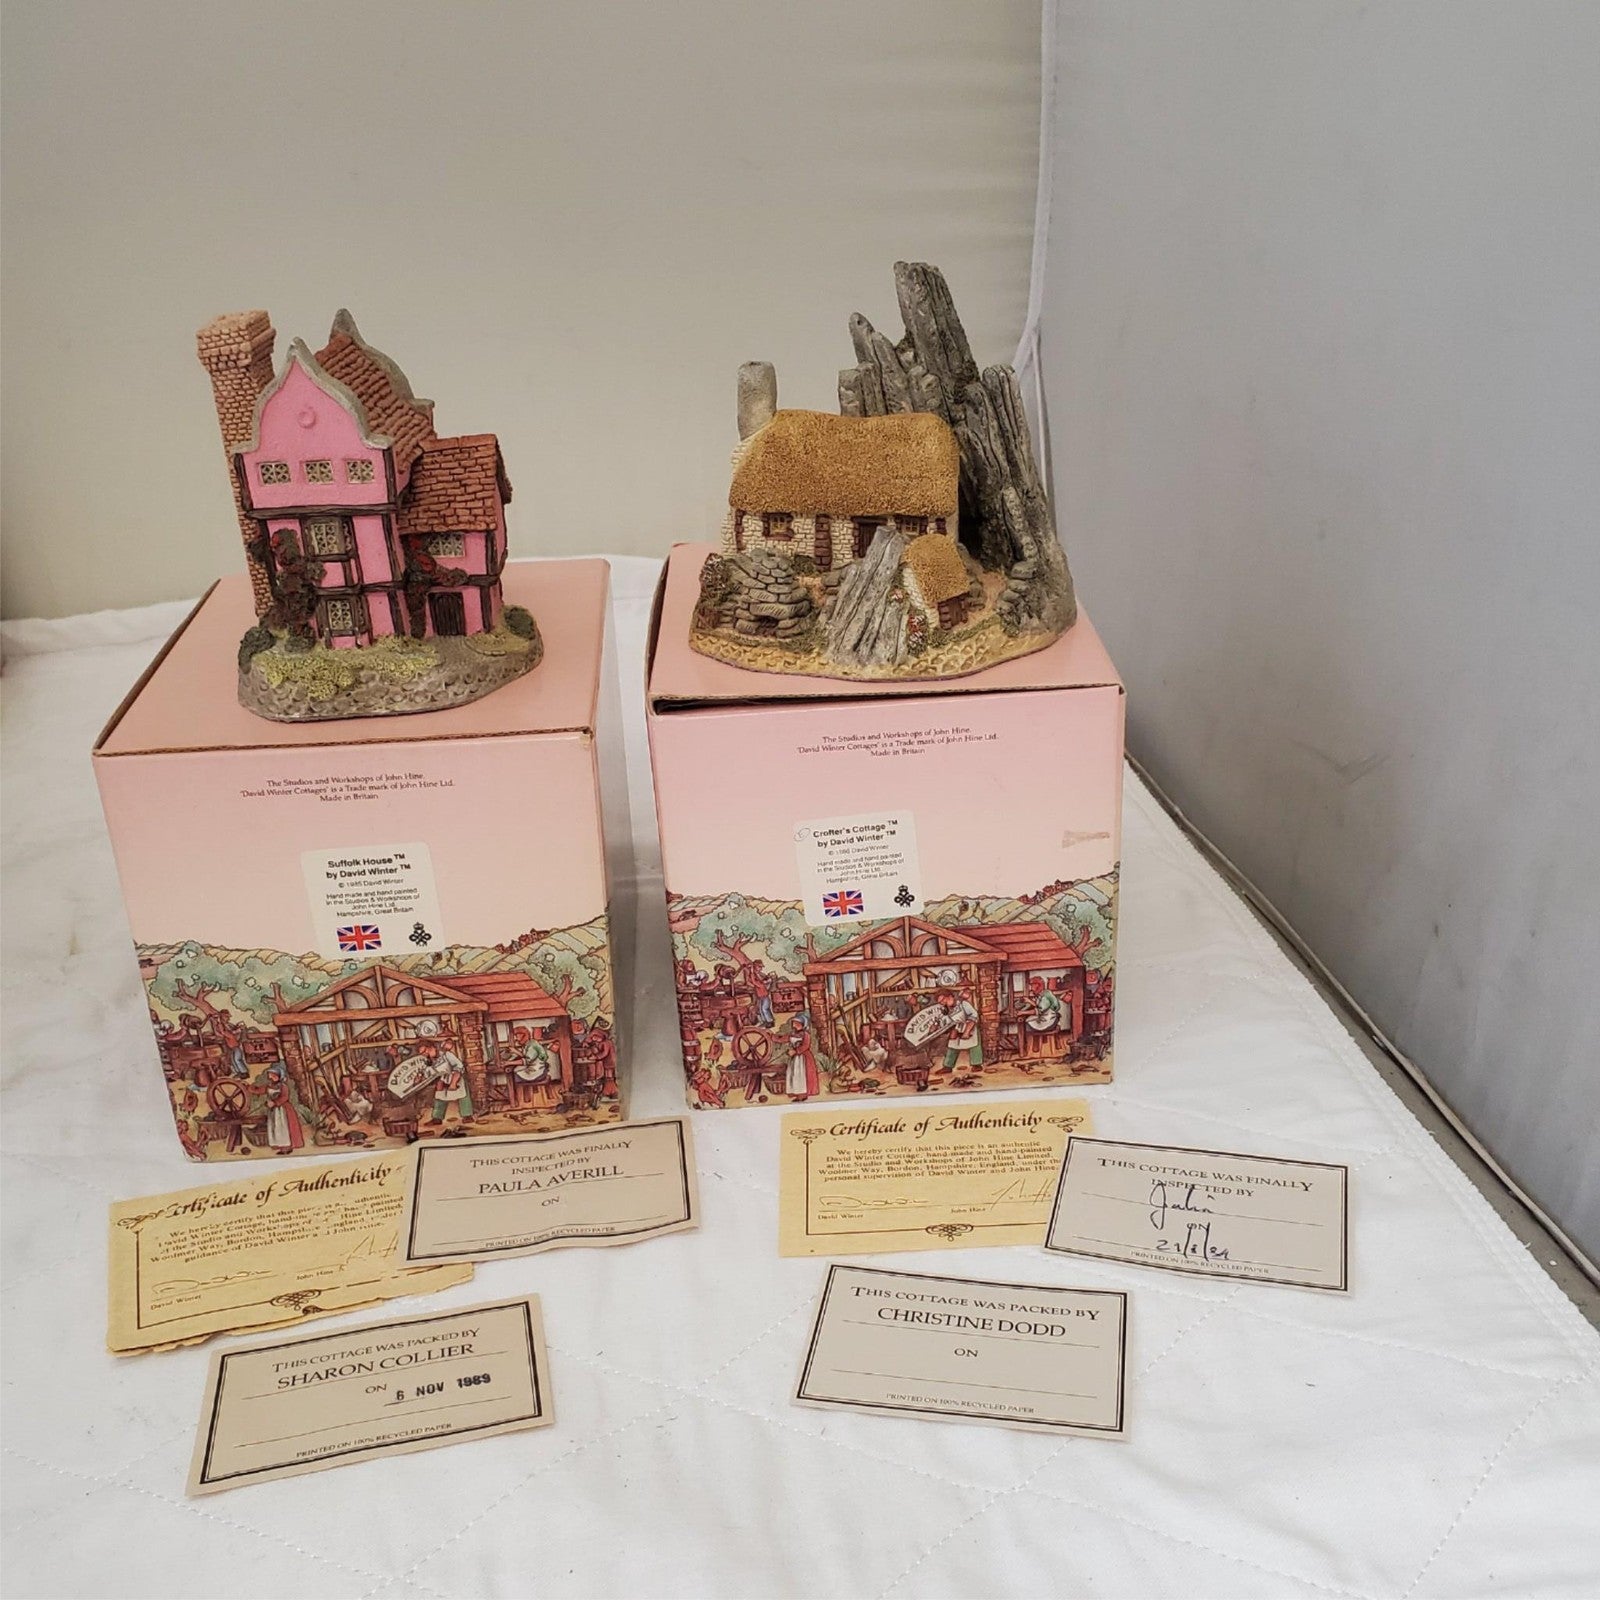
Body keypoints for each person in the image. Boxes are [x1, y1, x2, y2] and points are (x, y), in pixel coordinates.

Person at [424, 1041, 474, 1132]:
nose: (426, 1053)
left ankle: (467, 1115)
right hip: (443, 1079)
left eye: (426, 1050)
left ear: (432, 1047)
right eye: (423, 1053)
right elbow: (429, 1073)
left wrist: (454, 1081)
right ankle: (437, 1118)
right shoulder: (429, 1062)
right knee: (439, 1096)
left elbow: (459, 1066)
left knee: (463, 1095)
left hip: (455, 1076)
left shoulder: (447, 1055)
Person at [260, 1064, 306, 1154]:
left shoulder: (283, 1086)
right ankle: (280, 1146)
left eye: (274, 1076)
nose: (271, 1078)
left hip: (283, 1110)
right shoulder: (269, 1086)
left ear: (279, 1076)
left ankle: (286, 1147)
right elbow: (259, 1090)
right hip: (273, 1111)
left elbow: (284, 1097)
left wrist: (274, 1103)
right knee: (275, 1127)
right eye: (270, 1076)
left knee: (283, 1127)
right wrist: (248, 1087)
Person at [942, 987, 983, 1075]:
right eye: (941, 1002)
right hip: (958, 1028)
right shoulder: (947, 1009)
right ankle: (948, 1066)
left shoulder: (963, 1004)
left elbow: (974, 1015)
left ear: (950, 996)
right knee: (952, 1045)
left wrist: (967, 1031)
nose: (943, 1003)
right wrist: (952, 1030)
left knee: (974, 1045)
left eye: (943, 999)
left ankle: (976, 1064)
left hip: (969, 1026)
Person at [784, 1013, 819, 1101]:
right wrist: (772, 1037)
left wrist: (795, 1051)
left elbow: (805, 1046)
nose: (793, 1024)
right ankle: (796, 1093)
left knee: (801, 1075)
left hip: (803, 1058)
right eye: (793, 1023)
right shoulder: (792, 1034)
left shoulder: (805, 1034)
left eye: (796, 1023)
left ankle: (802, 1095)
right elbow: (783, 1038)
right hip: (794, 1059)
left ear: (802, 1024)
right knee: (794, 1075)